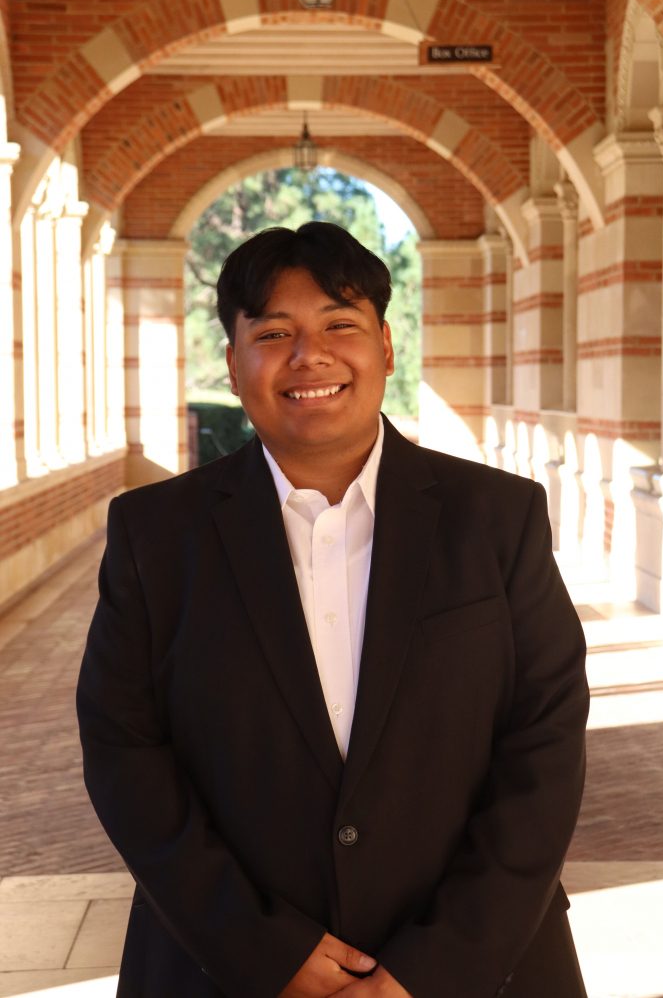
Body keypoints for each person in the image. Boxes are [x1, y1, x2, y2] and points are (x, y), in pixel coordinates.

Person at [77, 221, 589, 998]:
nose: (307, 355)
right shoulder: (155, 535)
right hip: (223, 970)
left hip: (482, 968)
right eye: (272, 333)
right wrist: (261, 948)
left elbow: (544, 741)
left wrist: (435, 967)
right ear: (233, 363)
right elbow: (123, 750)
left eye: (338, 325)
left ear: (385, 347)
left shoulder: (497, 518)